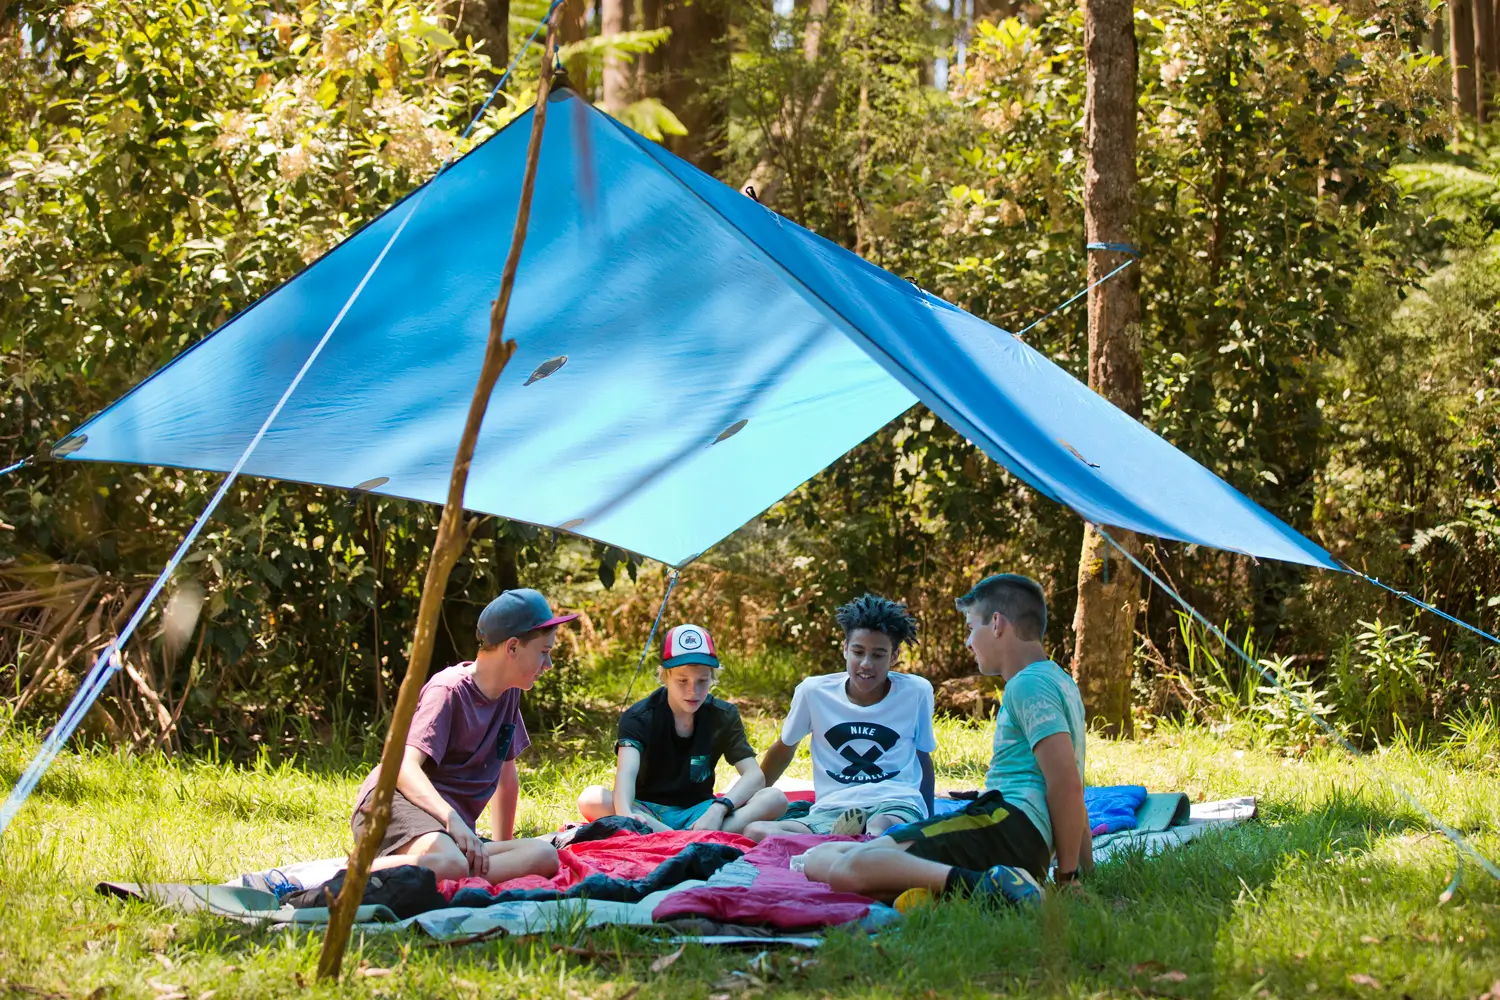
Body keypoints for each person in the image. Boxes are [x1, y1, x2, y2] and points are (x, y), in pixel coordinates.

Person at [799, 574, 1089, 907]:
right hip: (1025, 844)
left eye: (970, 628)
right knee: (820, 859)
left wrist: (1068, 879)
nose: (968, 642)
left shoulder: (1027, 685)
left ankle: (989, 885)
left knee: (849, 869)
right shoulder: (1059, 680)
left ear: (996, 624)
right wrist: (1084, 872)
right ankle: (988, 888)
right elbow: (1075, 784)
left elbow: (1066, 783)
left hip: (1007, 824)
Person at [349, 588, 570, 883]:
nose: (548, 665)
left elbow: (507, 777)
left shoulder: (510, 694)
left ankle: (452, 868)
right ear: (513, 647)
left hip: (451, 832)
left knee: (544, 856)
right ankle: (350, 872)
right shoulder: (449, 690)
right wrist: (452, 820)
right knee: (451, 864)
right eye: (544, 653)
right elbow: (403, 766)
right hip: (400, 803)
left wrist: (505, 847)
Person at [744, 594, 936, 841]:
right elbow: (782, 751)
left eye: (878, 655)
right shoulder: (813, 692)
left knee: (882, 824)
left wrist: (932, 822)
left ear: (895, 656)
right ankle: (851, 843)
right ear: (845, 648)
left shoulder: (916, 691)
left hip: (895, 802)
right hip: (833, 809)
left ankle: (860, 840)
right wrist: (751, 801)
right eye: (858, 652)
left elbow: (922, 756)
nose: (866, 663)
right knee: (755, 831)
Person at [577, 624, 788, 833]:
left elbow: (754, 776)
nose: (692, 691)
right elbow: (626, 773)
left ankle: (676, 837)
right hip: (648, 812)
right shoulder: (639, 717)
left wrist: (719, 809)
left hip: (701, 812)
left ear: (713, 677)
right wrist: (626, 815)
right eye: (682, 680)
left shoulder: (723, 715)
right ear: (664, 676)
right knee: (591, 798)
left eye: (702, 681)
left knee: (774, 798)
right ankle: (686, 838)